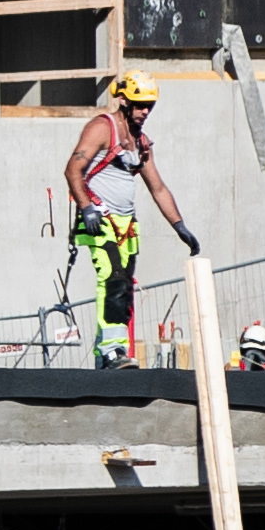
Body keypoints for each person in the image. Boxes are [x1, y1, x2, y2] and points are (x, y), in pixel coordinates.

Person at [61, 74, 197, 367]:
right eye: (140, 105)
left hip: (126, 226)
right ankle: (111, 350)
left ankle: (113, 350)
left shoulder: (140, 142)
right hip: (100, 218)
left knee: (123, 286)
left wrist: (179, 226)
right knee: (112, 278)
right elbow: (73, 170)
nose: (145, 111)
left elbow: (158, 188)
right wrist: (86, 208)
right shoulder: (101, 128)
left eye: (149, 105)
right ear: (123, 100)